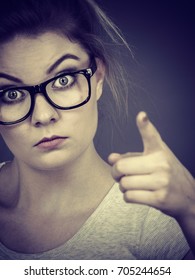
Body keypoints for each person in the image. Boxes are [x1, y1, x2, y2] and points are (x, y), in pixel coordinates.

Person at [0, 0, 194, 260]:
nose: (43, 116)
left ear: (98, 77)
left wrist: (191, 212)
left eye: (63, 80)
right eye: (11, 94)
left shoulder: (156, 223)